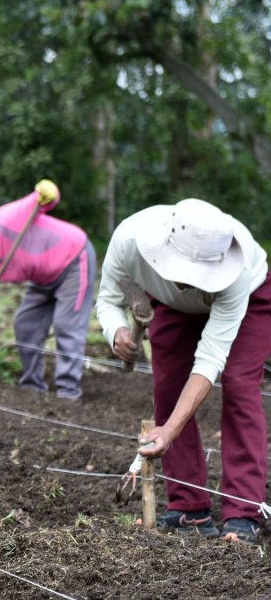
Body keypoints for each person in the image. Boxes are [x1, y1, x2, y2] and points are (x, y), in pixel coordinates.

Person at [97, 198, 269, 544]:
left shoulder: (239, 270)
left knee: (238, 384)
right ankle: (190, 509)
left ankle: (244, 511)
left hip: (250, 300)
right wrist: (115, 331)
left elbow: (209, 360)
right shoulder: (130, 240)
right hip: (171, 305)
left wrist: (169, 430)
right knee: (169, 388)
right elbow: (109, 299)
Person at [0, 180, 95, 400]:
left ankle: (68, 391)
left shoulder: (4, 221)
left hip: (74, 259)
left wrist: (47, 192)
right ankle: (33, 386)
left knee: (66, 324)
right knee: (25, 324)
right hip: (43, 278)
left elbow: (43, 201)